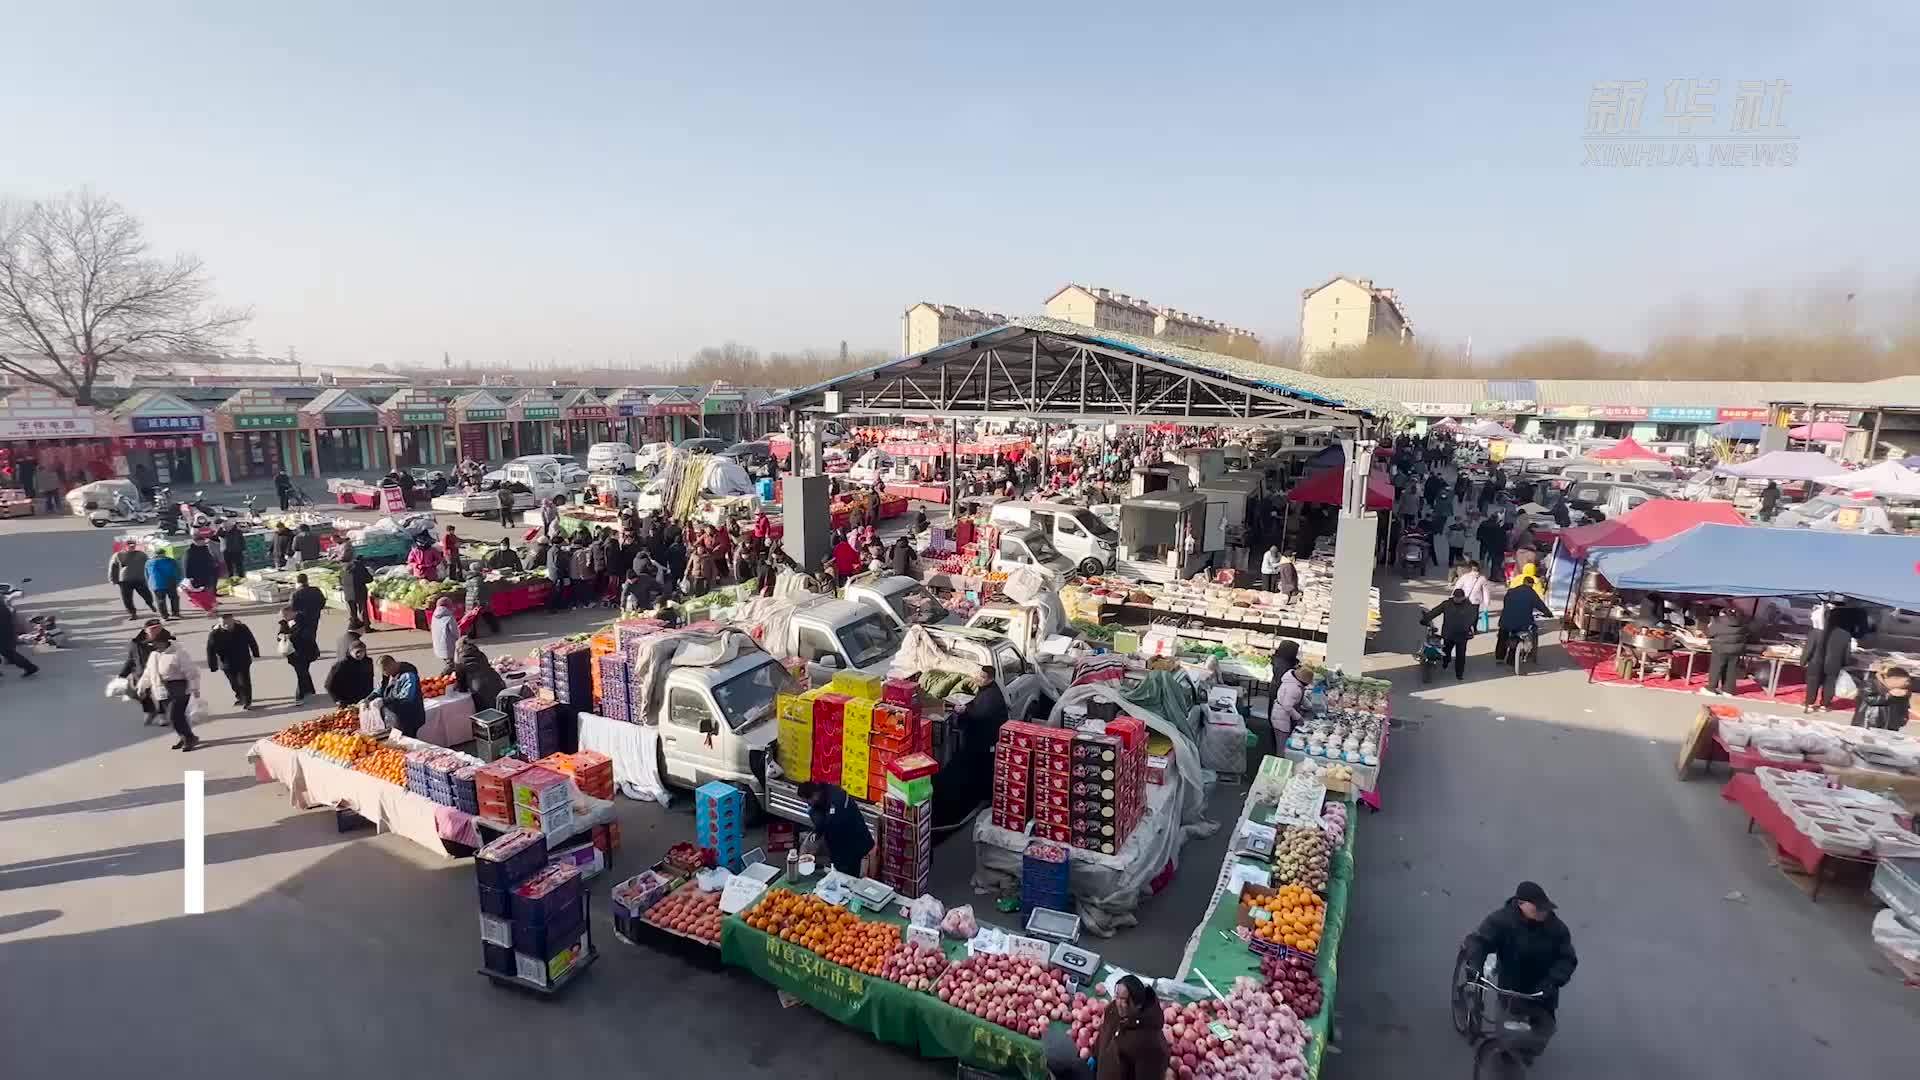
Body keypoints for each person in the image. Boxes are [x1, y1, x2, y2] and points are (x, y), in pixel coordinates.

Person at [1461, 882, 1578, 1061]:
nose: (1543, 912)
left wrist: (1553, 981)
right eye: (1538, 908)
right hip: (1511, 989)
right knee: (1507, 1036)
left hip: (1542, 991)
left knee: (1544, 1032)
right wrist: (1475, 964)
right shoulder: (1502, 921)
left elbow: (1567, 959)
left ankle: (1523, 1053)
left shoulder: (1557, 929)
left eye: (1544, 908)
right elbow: (1479, 941)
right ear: (1521, 904)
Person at [137, 628, 202, 750]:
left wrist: (195, 688)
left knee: (174, 716)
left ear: (162, 642)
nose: (152, 645)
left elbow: (191, 672)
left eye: (154, 642)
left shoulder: (178, 653)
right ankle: (186, 736)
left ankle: (189, 739)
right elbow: (148, 672)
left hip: (179, 688)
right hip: (161, 689)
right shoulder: (154, 655)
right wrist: (142, 686)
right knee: (175, 717)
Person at [799, 780, 875, 876]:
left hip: (853, 842)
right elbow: (821, 823)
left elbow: (834, 824)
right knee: (839, 869)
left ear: (815, 795)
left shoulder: (838, 799)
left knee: (847, 873)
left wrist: (820, 846)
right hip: (839, 844)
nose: (808, 805)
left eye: (808, 801)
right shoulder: (818, 802)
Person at [1805, 602, 1871, 711]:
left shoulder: (1817, 631)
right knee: (1830, 682)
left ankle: (1809, 704)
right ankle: (1824, 704)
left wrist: (1803, 661)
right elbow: (1846, 652)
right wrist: (1845, 662)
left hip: (1815, 661)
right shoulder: (1845, 634)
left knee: (1813, 681)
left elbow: (1809, 647)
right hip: (1834, 662)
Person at [1423, 588, 1479, 680]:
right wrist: (1425, 619)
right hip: (1453, 634)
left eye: (1458, 597)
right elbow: (1435, 612)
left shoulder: (1464, 606)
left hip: (1457, 634)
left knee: (1458, 654)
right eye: (1456, 597)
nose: (1457, 599)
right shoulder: (1449, 604)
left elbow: (1472, 618)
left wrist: (1469, 626)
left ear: (1462, 597)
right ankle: (1449, 665)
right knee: (1450, 652)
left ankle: (1458, 673)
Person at [119, 620, 168, 724]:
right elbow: (131, 659)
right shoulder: (135, 643)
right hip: (140, 673)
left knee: (161, 693)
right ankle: (150, 710)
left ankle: (162, 715)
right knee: (138, 693)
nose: (156, 631)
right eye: (152, 629)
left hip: (158, 672)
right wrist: (122, 675)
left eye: (158, 628)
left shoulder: (166, 640)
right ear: (145, 630)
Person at [1495, 580, 1555, 664]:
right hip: (1523, 622)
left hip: (1506, 620)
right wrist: (1548, 614)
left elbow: (1506, 603)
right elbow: (1540, 605)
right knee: (1531, 631)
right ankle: (1524, 654)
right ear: (1531, 585)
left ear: (1523, 582)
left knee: (1502, 635)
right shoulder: (1531, 593)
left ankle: (1499, 657)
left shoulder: (1511, 591)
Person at [276, 605, 319, 702]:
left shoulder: (304, 621)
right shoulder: (284, 623)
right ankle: (309, 690)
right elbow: (279, 635)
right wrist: (281, 636)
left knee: (301, 673)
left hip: (305, 651)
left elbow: (308, 636)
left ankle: (300, 696)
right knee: (303, 672)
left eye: (286, 615)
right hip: (292, 653)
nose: (284, 617)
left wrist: (290, 636)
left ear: (293, 612)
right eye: (283, 615)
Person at [376, 655, 426, 738]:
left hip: (409, 716)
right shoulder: (387, 674)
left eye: (385, 670)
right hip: (394, 717)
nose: (385, 674)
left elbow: (407, 697)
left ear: (392, 665)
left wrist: (384, 701)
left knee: (408, 741)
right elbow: (380, 689)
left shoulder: (408, 675)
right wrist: (369, 698)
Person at [452, 635, 507, 712]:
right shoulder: (478, 653)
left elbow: (460, 677)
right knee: (501, 707)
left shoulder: (460, 660)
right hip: (495, 679)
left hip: (479, 686)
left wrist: (462, 688)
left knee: (487, 711)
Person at [1703, 605, 1748, 697]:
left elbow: (1709, 633)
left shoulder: (1718, 622)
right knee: (1731, 670)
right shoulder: (1741, 622)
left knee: (1716, 668)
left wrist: (1709, 627)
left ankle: (1711, 688)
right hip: (1736, 650)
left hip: (1720, 648)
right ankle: (1728, 690)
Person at [1853, 664, 1911, 731]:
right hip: (1868, 724)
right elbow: (1870, 700)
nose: (1906, 685)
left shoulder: (1902, 693)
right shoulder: (1870, 684)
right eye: (1905, 682)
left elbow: (1904, 708)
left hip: (1890, 728)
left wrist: (1903, 719)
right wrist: (1890, 695)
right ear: (1892, 679)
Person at [108, 544, 157, 619]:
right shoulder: (118, 555)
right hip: (124, 580)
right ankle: (132, 613)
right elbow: (113, 567)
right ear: (125, 546)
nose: (131, 547)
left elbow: (149, 563)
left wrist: (150, 575)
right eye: (129, 546)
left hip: (139, 578)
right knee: (127, 598)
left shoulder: (141, 554)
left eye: (133, 546)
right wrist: (113, 579)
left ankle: (150, 604)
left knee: (145, 593)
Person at [325, 636, 376, 705]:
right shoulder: (341, 665)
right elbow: (328, 685)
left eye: (362, 651)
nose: (360, 654)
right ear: (350, 652)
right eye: (357, 652)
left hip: (364, 700)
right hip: (347, 701)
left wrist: (370, 696)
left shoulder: (368, 662)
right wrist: (337, 699)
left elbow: (370, 679)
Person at [0, 588, 39, 677]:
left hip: (3, 626)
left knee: (7, 651)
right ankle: (29, 667)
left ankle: (30, 667)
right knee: (7, 651)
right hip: (6, 626)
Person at [1268, 639, 1305, 733]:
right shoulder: (1283, 664)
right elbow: (1287, 676)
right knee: (1279, 718)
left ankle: (1275, 733)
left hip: (1276, 688)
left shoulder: (1279, 659)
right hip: (1280, 690)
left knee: (1274, 714)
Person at [182, 536, 221, 615]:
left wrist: (214, 566)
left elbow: (210, 559)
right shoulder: (190, 551)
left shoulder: (205, 549)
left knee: (209, 591)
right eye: (201, 541)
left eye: (203, 541)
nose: (203, 542)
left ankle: (212, 606)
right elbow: (186, 564)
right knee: (202, 593)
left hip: (209, 574)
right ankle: (209, 608)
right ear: (195, 541)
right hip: (197, 576)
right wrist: (188, 576)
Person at [462, 560, 501, 636]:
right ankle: (495, 628)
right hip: (478, 601)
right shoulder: (478, 579)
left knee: (473, 618)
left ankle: (472, 634)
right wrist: (479, 601)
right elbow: (478, 591)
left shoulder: (469, 578)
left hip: (470, 600)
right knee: (485, 615)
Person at [342, 554, 373, 633]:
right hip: (359, 591)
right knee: (362, 610)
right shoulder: (360, 567)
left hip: (348, 593)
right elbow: (369, 579)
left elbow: (341, 580)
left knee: (353, 612)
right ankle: (366, 627)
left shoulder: (344, 567)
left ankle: (353, 626)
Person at [290, 573, 325, 638]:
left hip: (302, 618)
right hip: (315, 615)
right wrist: (318, 609)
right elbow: (322, 601)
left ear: (297, 582)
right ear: (307, 580)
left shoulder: (296, 593)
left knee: (303, 636)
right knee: (313, 633)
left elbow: (293, 607)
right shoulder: (316, 590)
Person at [546, 535, 572, 610]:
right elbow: (557, 563)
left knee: (556, 590)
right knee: (556, 591)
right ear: (559, 543)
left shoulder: (550, 550)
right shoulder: (557, 551)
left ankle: (556, 606)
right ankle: (553, 607)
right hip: (557, 573)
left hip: (552, 573)